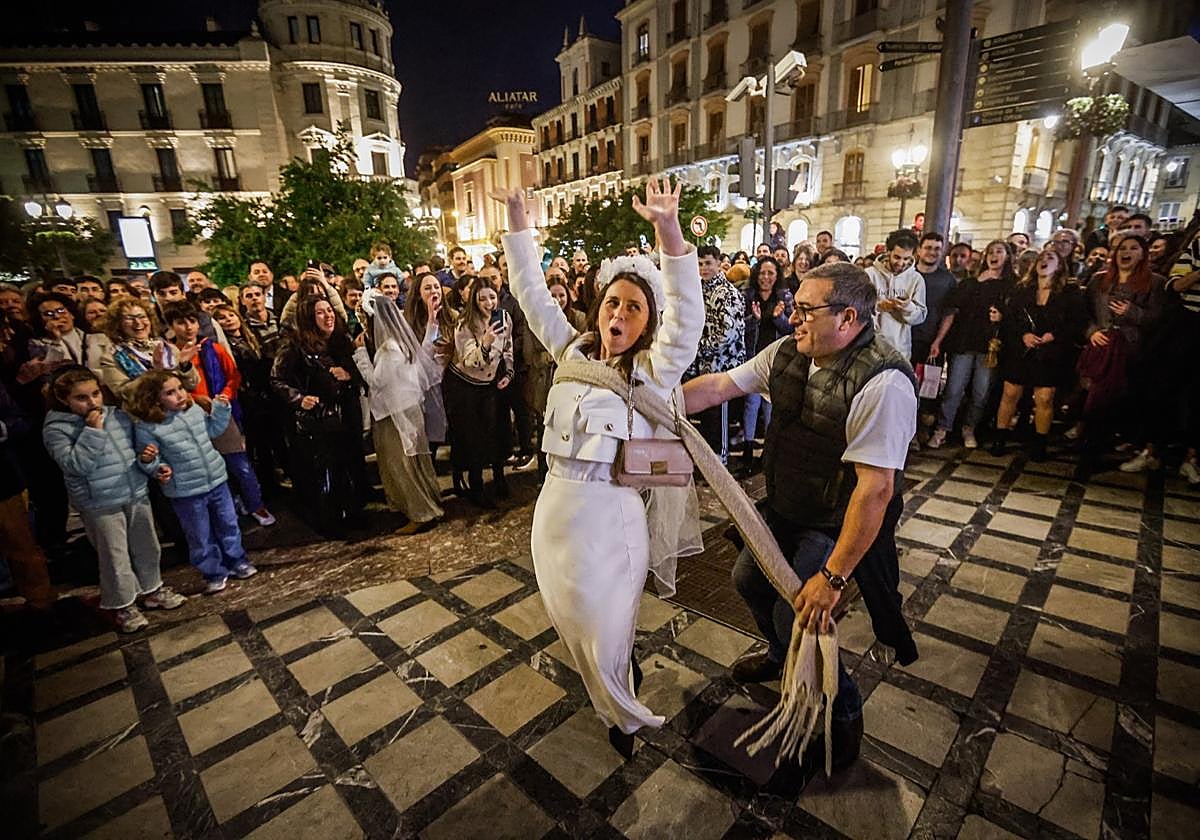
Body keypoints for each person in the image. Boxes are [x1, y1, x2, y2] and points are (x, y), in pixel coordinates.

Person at [683, 261, 919, 773]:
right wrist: (651, 403)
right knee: (747, 579)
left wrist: (832, 579)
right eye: (796, 306)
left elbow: (875, 491)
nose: (793, 318)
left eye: (807, 310)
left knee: (802, 614)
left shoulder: (883, 382)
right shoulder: (788, 352)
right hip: (787, 504)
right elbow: (720, 386)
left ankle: (843, 711)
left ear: (848, 318)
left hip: (834, 521)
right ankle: (778, 655)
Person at [498, 177, 703, 756]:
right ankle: (614, 692)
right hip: (554, 517)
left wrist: (669, 231)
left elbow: (687, 320)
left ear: (647, 322)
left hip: (612, 523)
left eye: (634, 307)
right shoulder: (572, 351)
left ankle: (624, 713)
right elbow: (531, 293)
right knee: (575, 627)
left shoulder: (653, 371)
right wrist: (518, 222)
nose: (619, 313)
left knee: (610, 631)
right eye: (613, 302)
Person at [43, 366, 187, 631]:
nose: (92, 402)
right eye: (81, 398)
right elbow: (75, 465)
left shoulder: (117, 416)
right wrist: (93, 431)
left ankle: (153, 589)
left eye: (95, 394)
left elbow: (135, 452)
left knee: (147, 545)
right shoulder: (57, 429)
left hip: (133, 491)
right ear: (63, 399)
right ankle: (123, 605)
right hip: (99, 501)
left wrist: (153, 466)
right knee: (114, 556)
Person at [126, 371, 257, 594]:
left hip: (216, 479)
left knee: (228, 523)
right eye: (170, 392)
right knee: (200, 534)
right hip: (186, 490)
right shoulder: (148, 427)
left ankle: (237, 560)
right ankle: (213, 572)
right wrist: (154, 464)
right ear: (154, 399)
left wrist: (221, 410)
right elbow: (150, 459)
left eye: (180, 388)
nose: (179, 395)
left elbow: (213, 430)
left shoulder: (193, 410)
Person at [162, 302, 275, 527]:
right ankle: (229, 508)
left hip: (219, 412)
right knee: (212, 468)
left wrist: (224, 395)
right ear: (171, 326)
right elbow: (166, 386)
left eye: (192, 321)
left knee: (240, 465)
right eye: (181, 322)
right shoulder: (168, 355)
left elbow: (233, 376)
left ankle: (256, 504)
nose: (188, 327)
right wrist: (194, 398)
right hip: (188, 417)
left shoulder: (212, 348)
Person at [271, 298, 367, 537]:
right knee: (325, 474)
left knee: (347, 467)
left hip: (345, 415)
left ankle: (351, 512)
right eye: (320, 313)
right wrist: (299, 398)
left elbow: (358, 373)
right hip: (318, 421)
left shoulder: (340, 342)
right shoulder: (294, 345)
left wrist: (349, 375)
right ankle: (330, 521)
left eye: (329, 310)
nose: (328, 316)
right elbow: (277, 379)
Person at [353, 290, 444, 534]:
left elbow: (376, 381)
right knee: (412, 462)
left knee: (402, 464)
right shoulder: (400, 342)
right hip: (405, 408)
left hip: (397, 414)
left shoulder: (389, 349)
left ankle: (421, 512)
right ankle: (424, 503)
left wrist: (360, 354)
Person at [1080, 235, 1167, 472]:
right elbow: (1083, 312)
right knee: (1095, 399)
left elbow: (1158, 319)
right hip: (1102, 348)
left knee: (1117, 402)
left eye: (1133, 248)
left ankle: (1102, 447)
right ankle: (1089, 451)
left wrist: (1132, 311)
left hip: (1131, 351)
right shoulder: (1099, 280)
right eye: (1122, 248)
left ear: (1143, 254)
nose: (1126, 252)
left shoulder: (1155, 282)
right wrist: (1092, 332)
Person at [990, 248, 1080, 460]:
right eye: (1041, 257)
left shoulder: (1069, 292)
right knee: (1010, 393)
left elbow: (1076, 321)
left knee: (1044, 398)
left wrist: (1053, 335)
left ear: (1060, 265)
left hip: (1049, 351)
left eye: (1050, 257)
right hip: (1022, 349)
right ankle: (1000, 438)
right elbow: (1010, 318)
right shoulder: (1022, 289)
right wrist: (1024, 335)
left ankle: (1039, 444)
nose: (1044, 260)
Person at [927, 240, 1016, 449]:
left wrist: (1002, 317)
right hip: (964, 342)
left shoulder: (1011, 285)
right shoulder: (969, 283)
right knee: (954, 389)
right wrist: (939, 340)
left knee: (981, 392)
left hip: (990, 346)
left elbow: (1016, 315)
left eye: (999, 252)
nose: (994, 255)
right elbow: (951, 311)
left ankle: (969, 428)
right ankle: (943, 429)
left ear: (1007, 257)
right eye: (991, 251)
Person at [442, 276, 514, 507]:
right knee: (473, 436)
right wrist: (485, 342)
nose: (489, 303)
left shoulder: (503, 317)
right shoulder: (465, 324)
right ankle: (476, 485)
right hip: (464, 384)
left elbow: (508, 347)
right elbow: (469, 360)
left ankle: (499, 477)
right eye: (482, 299)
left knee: (496, 431)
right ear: (474, 300)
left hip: (491, 381)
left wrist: (508, 372)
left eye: (492, 297)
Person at [684, 244, 745, 463]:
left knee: (719, 417)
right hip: (701, 367)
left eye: (708, 263)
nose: (704, 268)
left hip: (722, 366)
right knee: (707, 419)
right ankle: (705, 462)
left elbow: (727, 333)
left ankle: (721, 462)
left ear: (719, 264)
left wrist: (697, 347)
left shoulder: (728, 293)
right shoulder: (698, 291)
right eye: (700, 264)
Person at [741, 256, 792, 470]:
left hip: (776, 358)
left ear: (777, 275)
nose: (766, 277)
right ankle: (747, 450)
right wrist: (755, 319)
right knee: (751, 403)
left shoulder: (784, 296)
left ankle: (768, 453)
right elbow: (740, 326)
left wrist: (778, 318)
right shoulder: (748, 295)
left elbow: (791, 329)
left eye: (770, 273)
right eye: (762, 272)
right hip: (753, 356)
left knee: (770, 405)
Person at [100, 296, 198, 404]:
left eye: (142, 317)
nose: (138, 322)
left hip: (181, 407)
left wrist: (184, 365)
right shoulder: (111, 357)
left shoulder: (168, 348)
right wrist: (154, 373)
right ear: (117, 324)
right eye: (129, 318)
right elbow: (123, 393)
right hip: (147, 411)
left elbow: (192, 385)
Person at [865, 229, 927, 358]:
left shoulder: (916, 279)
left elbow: (921, 316)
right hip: (870, 347)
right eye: (897, 257)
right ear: (888, 251)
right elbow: (857, 308)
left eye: (906, 258)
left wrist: (907, 307)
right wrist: (878, 306)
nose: (901, 263)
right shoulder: (870, 274)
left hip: (900, 349)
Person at [909, 232, 957, 365]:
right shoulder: (906, 275)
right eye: (928, 248)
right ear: (919, 250)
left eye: (937, 249)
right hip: (905, 339)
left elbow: (949, 314)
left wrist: (938, 341)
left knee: (929, 378)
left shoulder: (948, 280)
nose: (932, 252)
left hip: (931, 343)